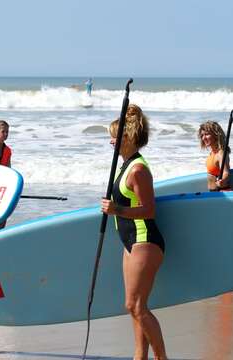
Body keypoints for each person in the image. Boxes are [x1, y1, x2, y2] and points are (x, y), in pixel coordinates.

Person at [100, 104, 167, 360]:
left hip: (144, 241)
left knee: (136, 306)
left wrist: (116, 209)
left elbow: (149, 210)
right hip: (130, 243)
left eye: (114, 137)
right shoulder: (125, 165)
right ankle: (140, 356)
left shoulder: (138, 169)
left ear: (126, 139)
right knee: (134, 307)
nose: (111, 141)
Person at [198, 121, 231, 191]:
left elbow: (226, 172)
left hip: (222, 193)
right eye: (202, 135)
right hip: (214, 193)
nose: (204, 138)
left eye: (206, 134)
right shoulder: (212, 152)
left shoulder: (221, 153)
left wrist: (223, 180)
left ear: (216, 134)